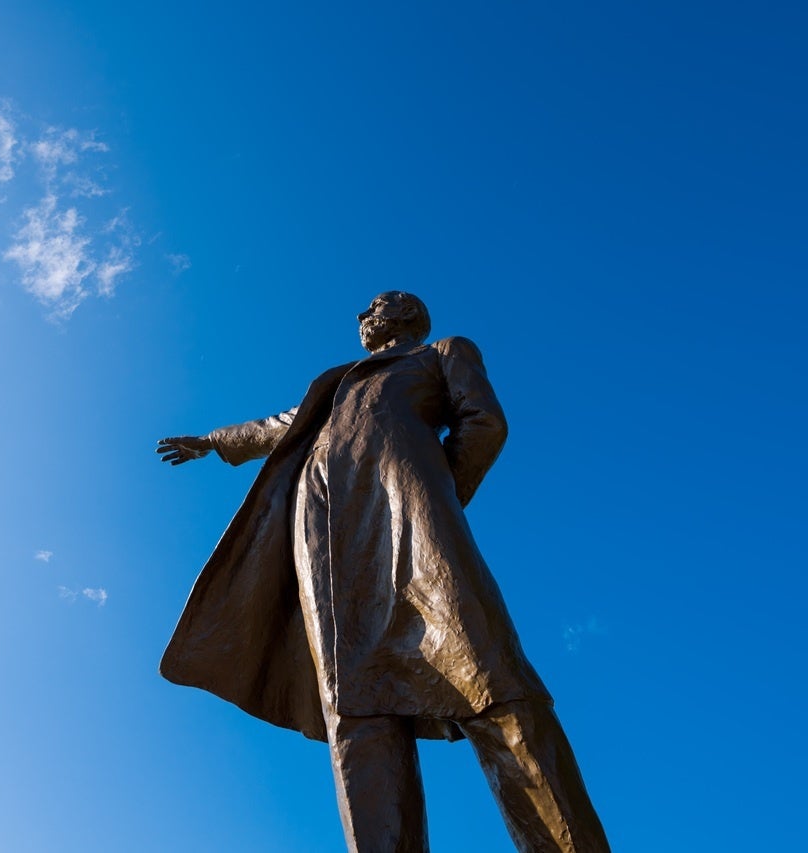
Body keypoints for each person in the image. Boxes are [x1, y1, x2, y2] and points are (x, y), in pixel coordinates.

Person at [158, 292, 609, 853]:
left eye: (375, 306)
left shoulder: (442, 352)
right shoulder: (339, 383)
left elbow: (484, 423)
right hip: (325, 532)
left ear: (406, 315)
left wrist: (435, 491)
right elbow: (281, 425)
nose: (362, 317)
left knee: (486, 672)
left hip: (411, 510)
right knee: (354, 705)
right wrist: (211, 441)